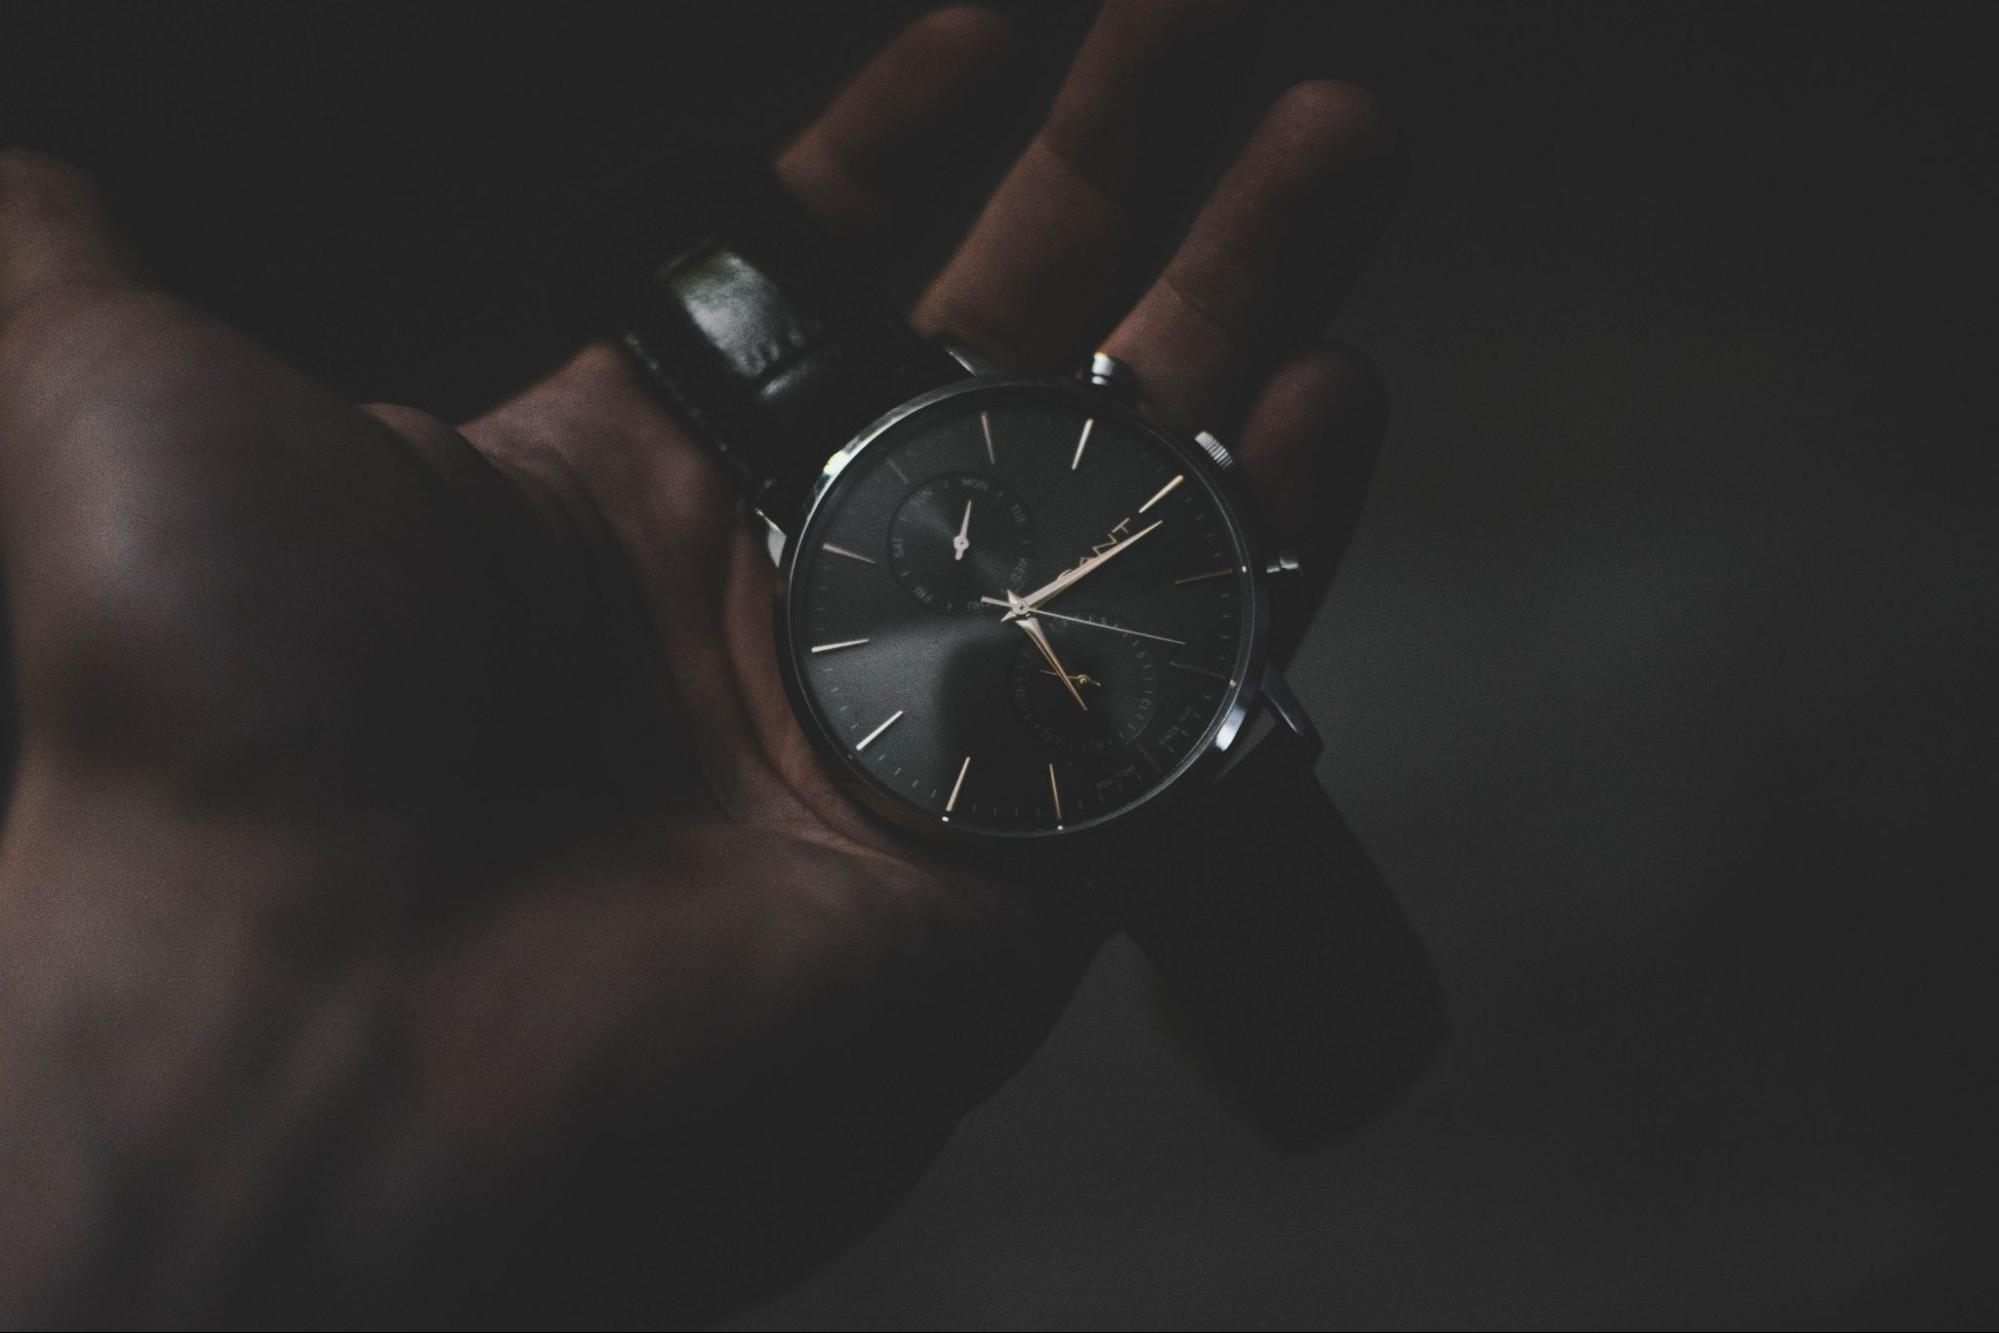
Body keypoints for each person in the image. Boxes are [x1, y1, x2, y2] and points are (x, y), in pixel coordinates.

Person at [0, 3, 1409, 1324]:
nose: (1016, 602)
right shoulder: (826, 587)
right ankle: (1348, 1065)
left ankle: (1341, 1062)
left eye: (1029, 581)